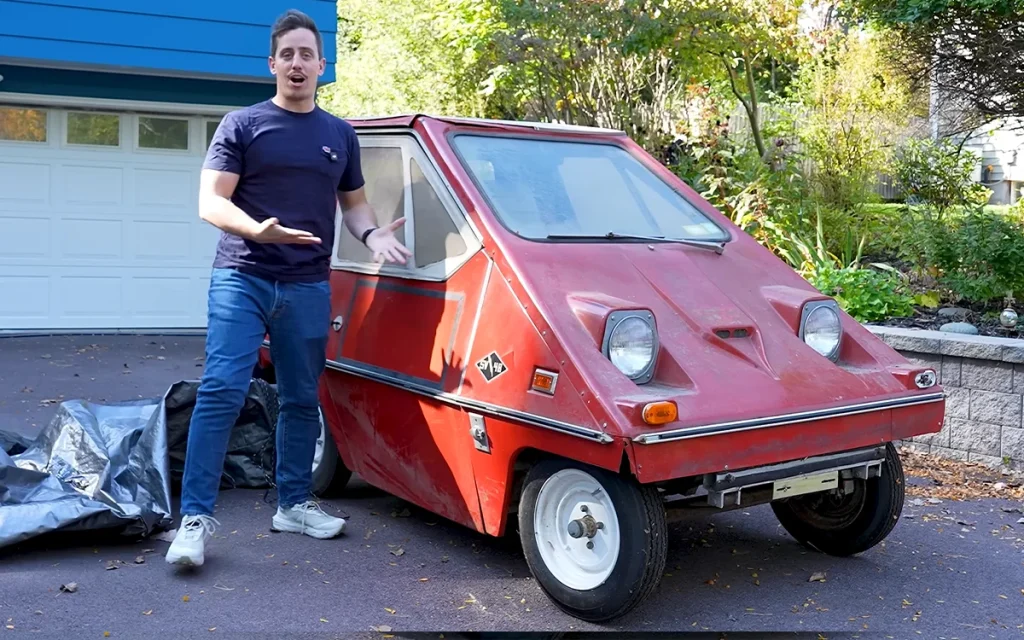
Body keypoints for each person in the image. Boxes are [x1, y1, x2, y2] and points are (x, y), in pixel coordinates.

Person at [165, 9, 411, 567]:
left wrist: (372, 234)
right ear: (272, 63)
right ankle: (195, 520)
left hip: (306, 284)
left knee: (302, 398)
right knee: (223, 389)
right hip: (242, 276)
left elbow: (353, 206)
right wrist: (256, 228)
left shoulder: (339, 134)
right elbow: (211, 202)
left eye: (307, 55)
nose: (297, 64)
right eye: (288, 55)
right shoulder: (242, 124)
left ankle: (294, 504)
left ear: (322, 66)